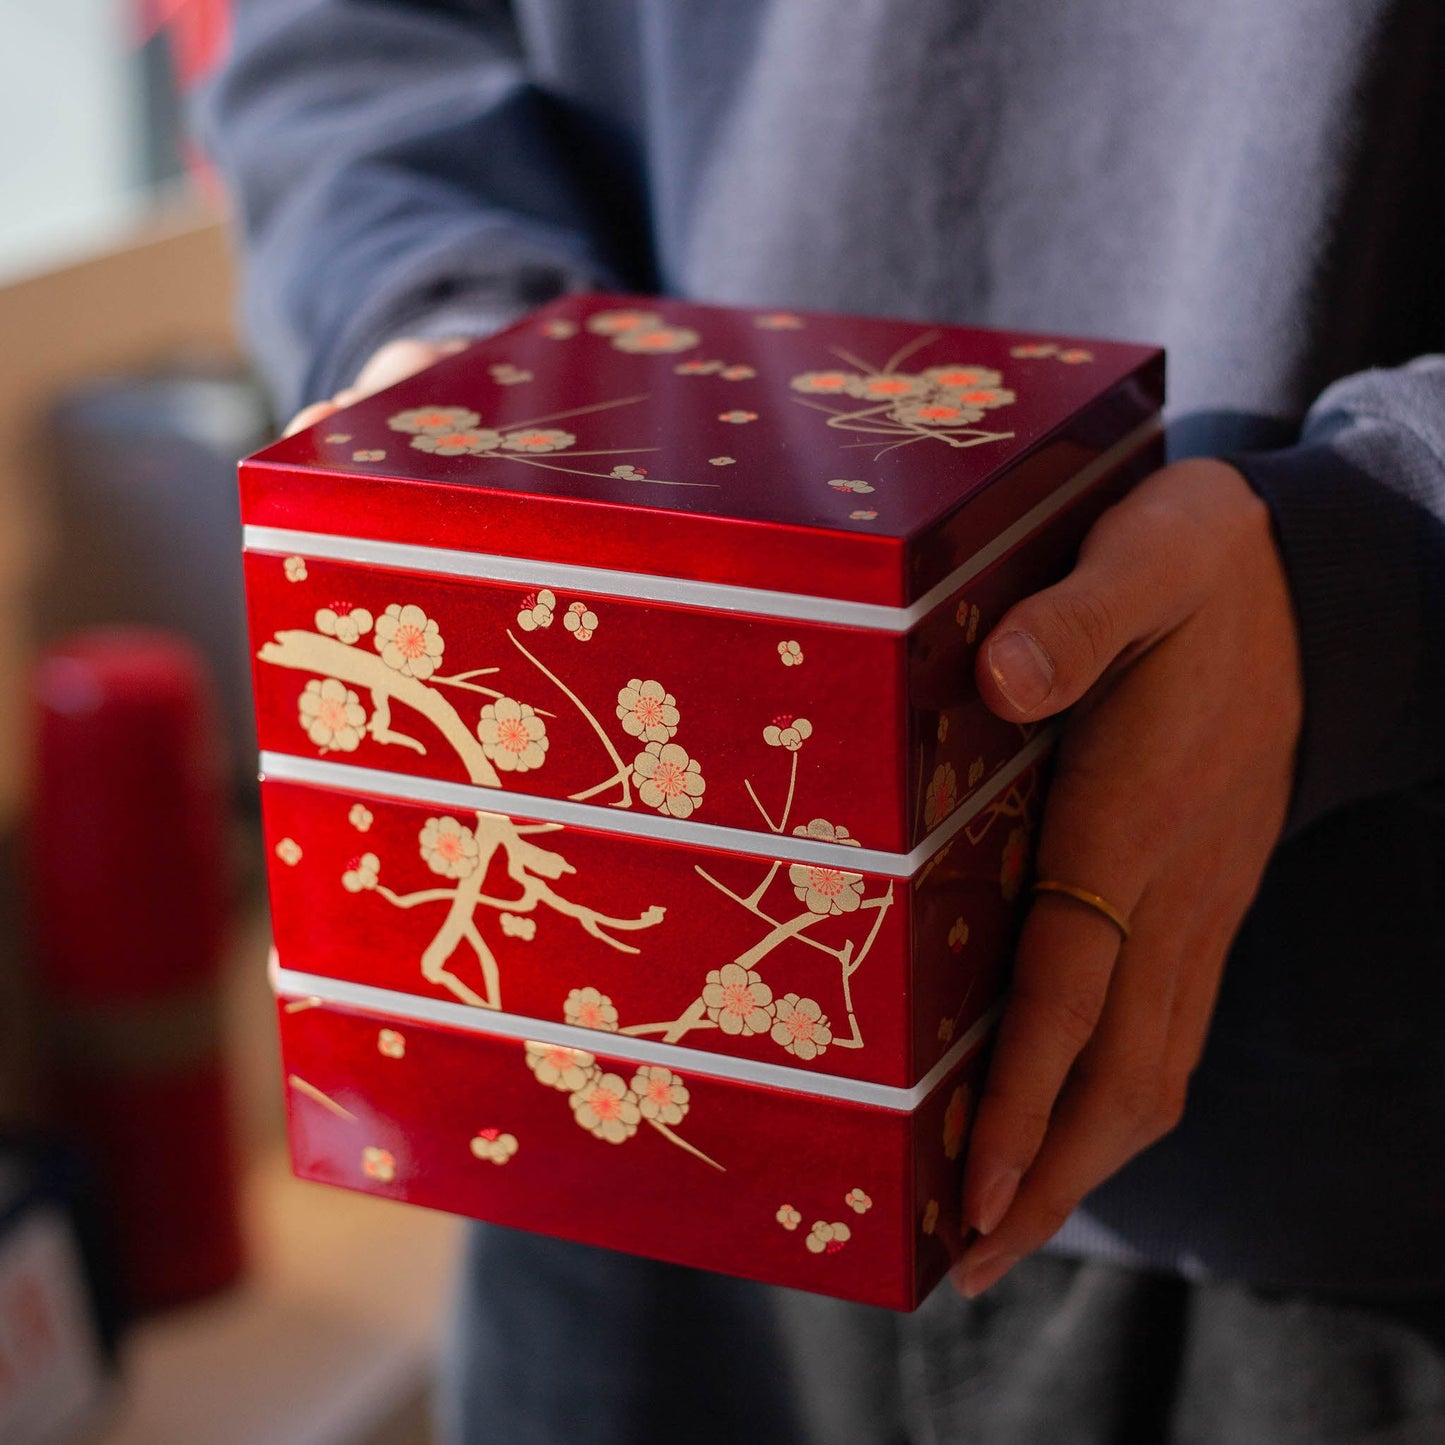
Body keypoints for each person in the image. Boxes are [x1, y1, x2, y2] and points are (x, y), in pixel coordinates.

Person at [200, 3, 1445, 1440]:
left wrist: (1369, 563)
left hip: (1328, 1192)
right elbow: (355, 47)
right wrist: (443, 336)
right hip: (593, 1115)